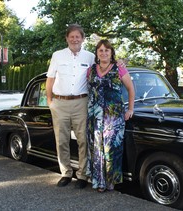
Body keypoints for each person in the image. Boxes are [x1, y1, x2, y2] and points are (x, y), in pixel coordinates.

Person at [46, 24, 95, 189]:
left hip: (81, 102)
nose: (75, 39)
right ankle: (66, 173)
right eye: (72, 36)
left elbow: (104, 68)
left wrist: (121, 64)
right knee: (62, 141)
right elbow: (50, 78)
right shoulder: (57, 55)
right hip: (59, 103)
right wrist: (49, 101)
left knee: (83, 140)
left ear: (83, 39)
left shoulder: (90, 57)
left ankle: (82, 175)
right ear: (67, 38)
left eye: (78, 36)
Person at [86, 39, 135, 192]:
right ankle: (99, 182)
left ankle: (110, 181)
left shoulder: (119, 68)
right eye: (100, 50)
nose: (104, 53)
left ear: (111, 53)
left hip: (114, 117)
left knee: (110, 149)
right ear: (97, 53)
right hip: (95, 116)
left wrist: (130, 109)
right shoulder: (91, 70)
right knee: (97, 149)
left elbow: (131, 90)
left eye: (107, 50)